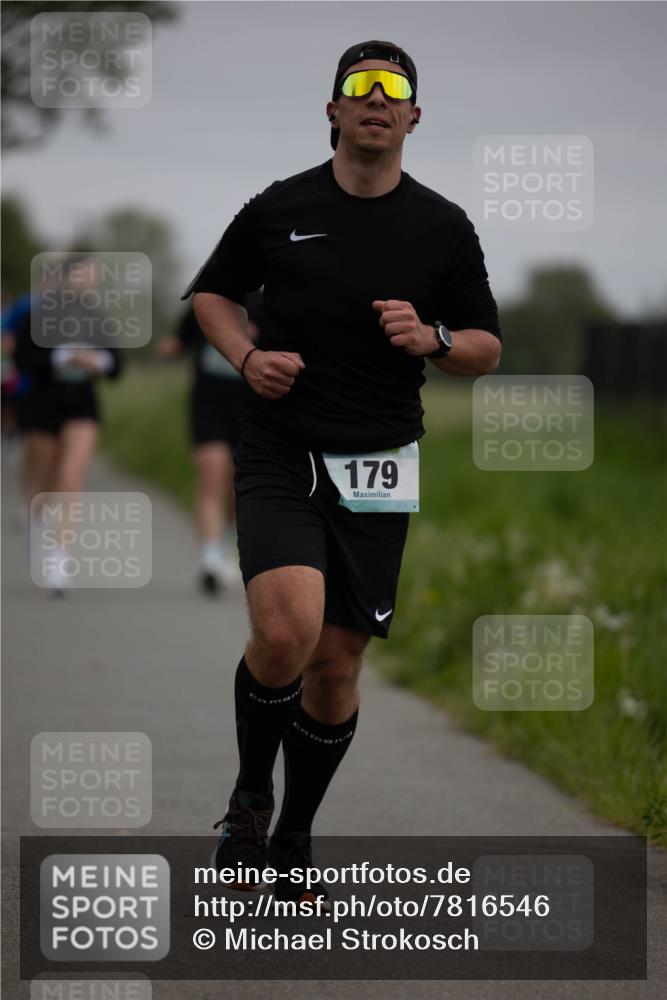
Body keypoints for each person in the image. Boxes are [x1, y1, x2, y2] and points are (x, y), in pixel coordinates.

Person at [183, 40, 501, 906]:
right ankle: (250, 801)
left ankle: (294, 834)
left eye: (392, 87)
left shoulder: (440, 226)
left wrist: (433, 339)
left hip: (379, 462)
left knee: (335, 665)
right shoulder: (280, 207)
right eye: (357, 86)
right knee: (286, 632)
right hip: (280, 447)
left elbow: (483, 345)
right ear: (331, 109)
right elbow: (209, 295)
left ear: (412, 115)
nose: (374, 98)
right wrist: (247, 359)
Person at [14, 258, 123, 593]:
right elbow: (23, 358)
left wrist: (98, 361)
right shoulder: (39, 315)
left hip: (82, 406)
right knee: (44, 480)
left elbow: (117, 365)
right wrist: (63, 356)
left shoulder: (96, 319)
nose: (85, 282)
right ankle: (34, 522)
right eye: (79, 275)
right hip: (44, 405)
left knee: (71, 478)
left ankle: (59, 562)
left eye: (90, 276)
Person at [156, 290, 264, 594]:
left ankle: (226, 540)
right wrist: (169, 348)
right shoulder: (208, 299)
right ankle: (209, 560)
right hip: (208, 405)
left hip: (252, 409)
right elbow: (181, 339)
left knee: (235, 485)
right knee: (211, 474)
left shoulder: (269, 302)